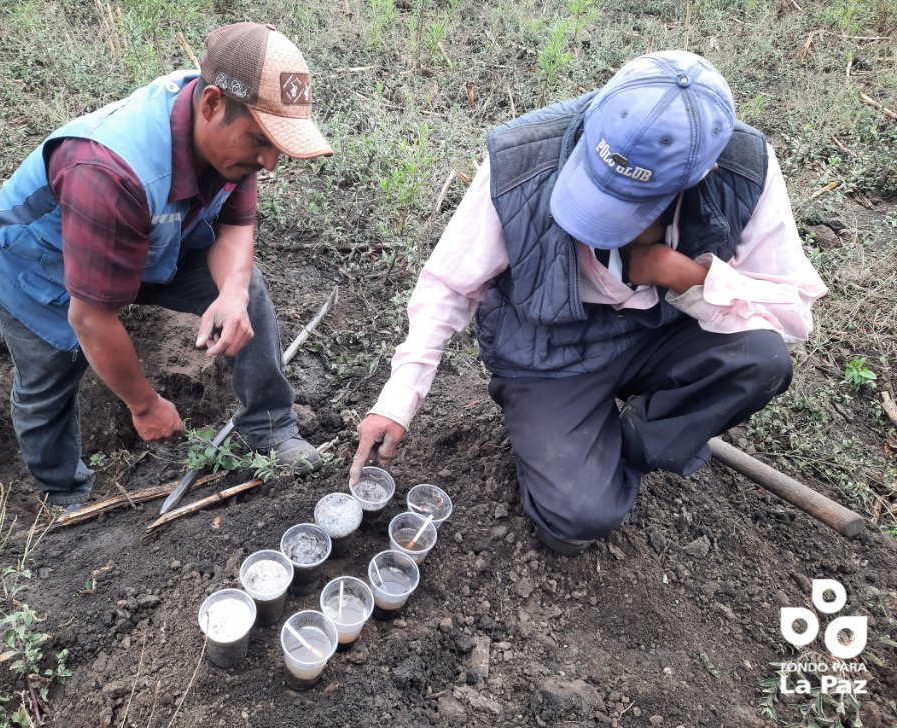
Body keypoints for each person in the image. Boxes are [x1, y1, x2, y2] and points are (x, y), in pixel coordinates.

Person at [349, 50, 827, 555]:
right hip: (549, 349)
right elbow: (448, 285)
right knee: (575, 522)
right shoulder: (522, 158)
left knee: (761, 359)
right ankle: (572, 442)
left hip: (661, 331)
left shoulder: (742, 167)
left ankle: (631, 443)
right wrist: (398, 401)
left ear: (697, 176)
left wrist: (687, 276)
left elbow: (791, 312)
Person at [0, 22, 332, 512]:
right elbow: (91, 318)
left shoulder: (227, 133)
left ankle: (270, 429)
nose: (270, 161)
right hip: (43, 265)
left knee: (246, 288)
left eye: (278, 144)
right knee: (50, 373)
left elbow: (235, 225)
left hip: (150, 239)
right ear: (209, 105)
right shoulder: (107, 170)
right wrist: (145, 406)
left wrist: (230, 294)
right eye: (260, 140)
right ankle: (63, 491)